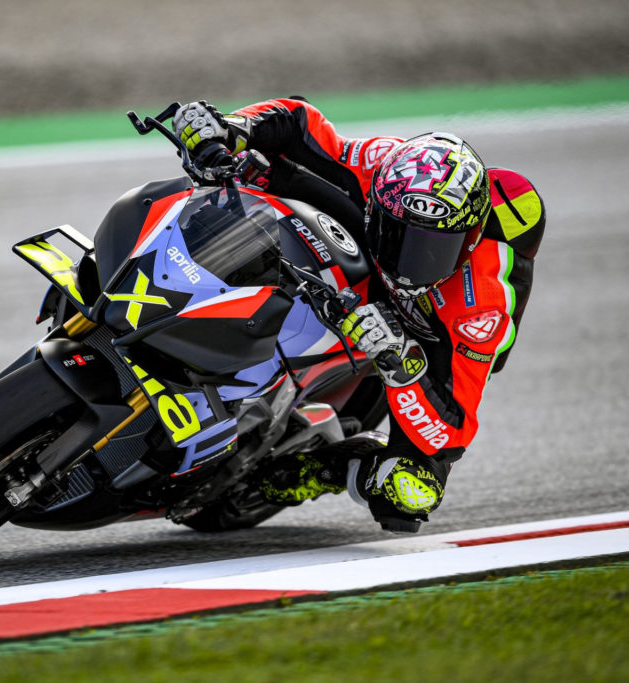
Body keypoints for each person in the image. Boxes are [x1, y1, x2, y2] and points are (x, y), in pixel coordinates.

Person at [172, 99, 546, 533]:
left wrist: (399, 359)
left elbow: (451, 428)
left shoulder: (482, 305)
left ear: (471, 239)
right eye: (400, 236)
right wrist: (234, 127)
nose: (413, 262)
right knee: (260, 168)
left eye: (434, 249)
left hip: (427, 340)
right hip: (359, 266)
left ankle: (308, 473)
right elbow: (301, 122)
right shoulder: (386, 166)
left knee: (411, 490)